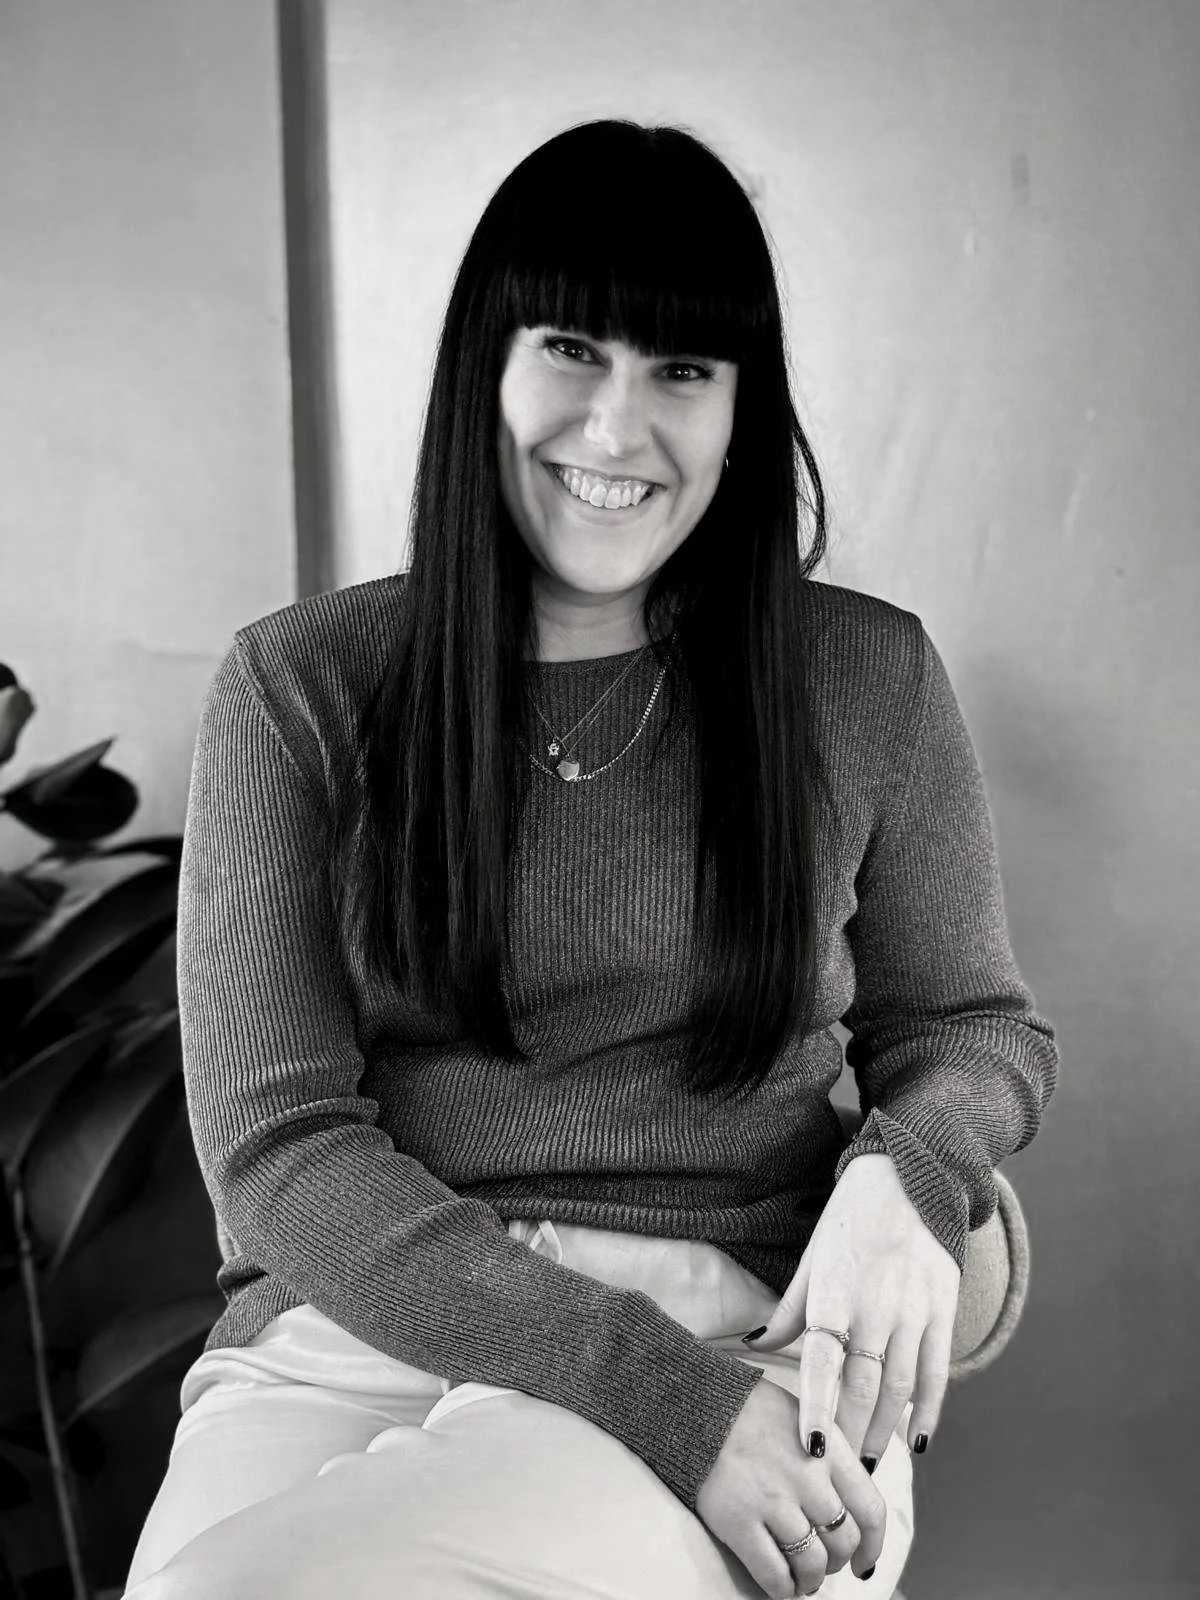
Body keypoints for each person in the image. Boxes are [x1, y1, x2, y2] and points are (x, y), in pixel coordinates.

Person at [123, 119, 1058, 1600]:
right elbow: (278, 1150)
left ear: (743, 408)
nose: (618, 432)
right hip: (360, 1326)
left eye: (681, 370)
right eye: (572, 350)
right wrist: (646, 1384)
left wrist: (910, 1174)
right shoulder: (298, 689)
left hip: (742, 1331)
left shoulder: (863, 678)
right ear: (482, 372)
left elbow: (972, 1026)